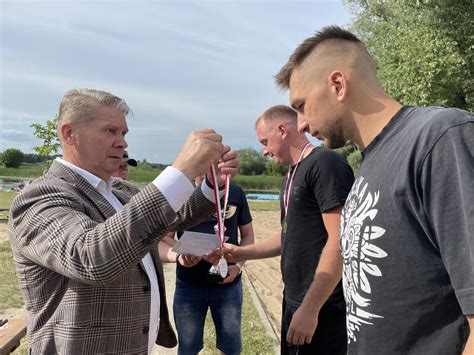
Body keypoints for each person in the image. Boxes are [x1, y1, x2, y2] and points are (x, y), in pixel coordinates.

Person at [275, 25, 474, 354]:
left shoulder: (440, 138)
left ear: (338, 84)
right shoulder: (368, 167)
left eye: (301, 105)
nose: (302, 125)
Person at [8, 88, 239, 355]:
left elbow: (178, 214)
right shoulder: (39, 196)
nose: (122, 143)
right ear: (69, 133)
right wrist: (181, 170)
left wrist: (212, 184)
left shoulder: (118, 189)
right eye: (110, 131)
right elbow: (91, 258)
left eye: (124, 133)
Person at [225, 104, 354, 355]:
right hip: (294, 299)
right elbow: (289, 236)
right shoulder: (291, 174)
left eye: (264, 141)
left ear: (282, 130)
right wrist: (240, 253)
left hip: (324, 305)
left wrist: (310, 309)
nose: (263, 151)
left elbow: (340, 240)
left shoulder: (324, 164)